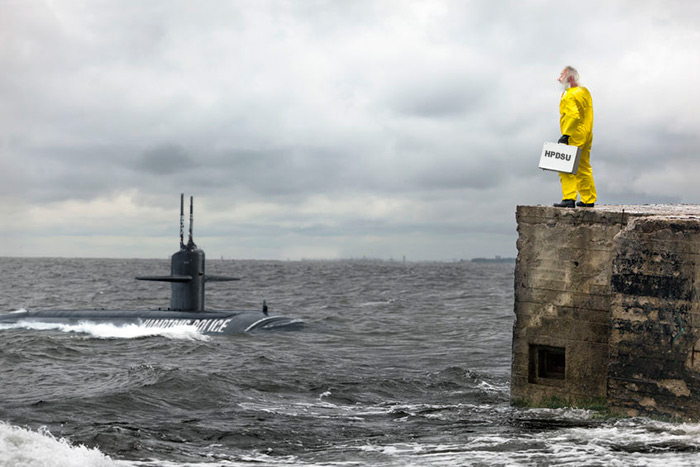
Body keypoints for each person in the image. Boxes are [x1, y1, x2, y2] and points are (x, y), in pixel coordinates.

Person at [553, 66, 597, 208]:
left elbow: (573, 115)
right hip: (586, 133)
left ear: (570, 78)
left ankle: (569, 198)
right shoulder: (584, 91)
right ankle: (588, 198)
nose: (559, 79)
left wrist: (566, 134)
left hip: (574, 134)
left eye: (561, 75)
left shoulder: (569, 94)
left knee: (565, 165)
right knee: (583, 166)